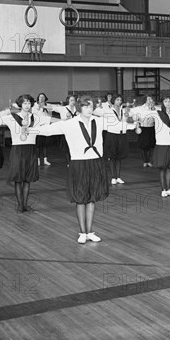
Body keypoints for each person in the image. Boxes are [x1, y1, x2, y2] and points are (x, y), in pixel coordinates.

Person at [39, 95, 109, 244]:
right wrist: (29, 129)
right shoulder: (70, 124)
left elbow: (117, 126)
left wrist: (131, 124)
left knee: (92, 198)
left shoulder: (99, 121)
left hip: (95, 162)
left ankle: (90, 231)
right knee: (80, 198)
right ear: (79, 108)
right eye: (86, 106)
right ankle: (82, 232)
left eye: (91, 106)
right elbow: (47, 130)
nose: (89, 109)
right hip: (79, 164)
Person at [0, 94, 55, 213]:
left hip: (31, 149)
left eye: (29, 103)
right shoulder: (12, 117)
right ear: (20, 104)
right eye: (24, 103)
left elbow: (51, 120)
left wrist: (68, 120)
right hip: (17, 150)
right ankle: (20, 204)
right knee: (18, 179)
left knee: (27, 179)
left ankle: (25, 204)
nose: (27, 105)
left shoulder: (36, 117)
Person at [142, 95, 170, 197]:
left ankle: (168, 188)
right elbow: (144, 114)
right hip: (162, 144)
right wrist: (148, 106)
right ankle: (163, 189)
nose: (168, 103)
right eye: (165, 101)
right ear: (162, 103)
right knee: (162, 168)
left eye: (169, 101)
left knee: (169, 168)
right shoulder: (157, 113)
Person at [93, 94, 136, 185]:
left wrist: (132, 119)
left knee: (119, 157)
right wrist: (98, 106)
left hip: (122, 135)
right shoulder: (108, 111)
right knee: (112, 157)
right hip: (112, 135)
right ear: (113, 101)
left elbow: (134, 116)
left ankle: (118, 177)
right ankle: (113, 177)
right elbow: (96, 112)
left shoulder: (124, 110)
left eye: (120, 100)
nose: (119, 101)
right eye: (117, 100)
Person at [51, 95, 79, 166]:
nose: (73, 102)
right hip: (67, 130)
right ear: (68, 101)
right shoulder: (63, 108)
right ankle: (68, 162)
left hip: (76, 130)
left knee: (75, 146)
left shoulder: (77, 109)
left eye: (74, 100)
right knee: (67, 146)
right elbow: (53, 108)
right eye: (71, 100)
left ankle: (75, 160)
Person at [130, 95, 157, 168]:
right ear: (145, 100)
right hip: (143, 127)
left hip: (151, 127)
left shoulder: (154, 108)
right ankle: (145, 161)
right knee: (144, 145)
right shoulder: (141, 108)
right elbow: (134, 115)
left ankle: (150, 161)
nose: (150, 101)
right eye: (148, 99)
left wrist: (153, 109)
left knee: (151, 145)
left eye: (151, 99)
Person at [33, 92, 52, 166]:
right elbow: (34, 114)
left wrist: (45, 109)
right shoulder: (35, 105)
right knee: (37, 144)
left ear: (45, 98)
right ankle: (37, 160)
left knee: (45, 144)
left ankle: (45, 159)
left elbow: (50, 115)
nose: (41, 98)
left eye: (43, 97)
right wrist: (39, 108)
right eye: (40, 97)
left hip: (46, 127)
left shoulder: (48, 106)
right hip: (38, 127)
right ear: (38, 98)